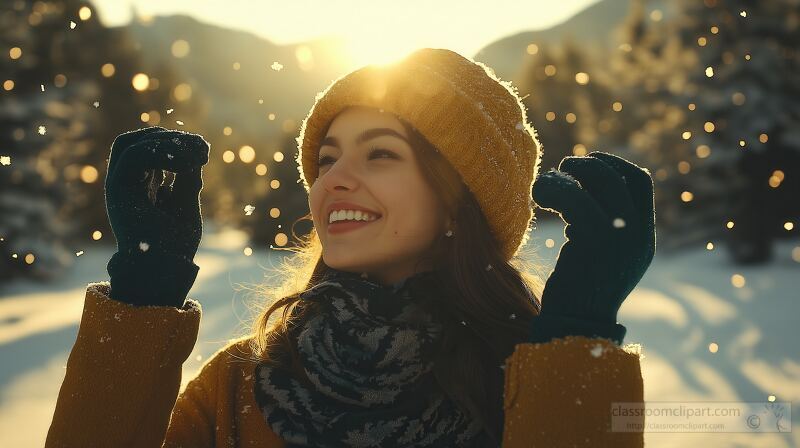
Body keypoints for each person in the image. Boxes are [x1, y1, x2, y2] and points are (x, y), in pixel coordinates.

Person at [46, 47, 655, 447]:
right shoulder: (242, 383)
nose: (330, 179)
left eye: (381, 153)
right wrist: (140, 303)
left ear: (457, 200)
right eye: (328, 157)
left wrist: (579, 341)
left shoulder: (524, 381)